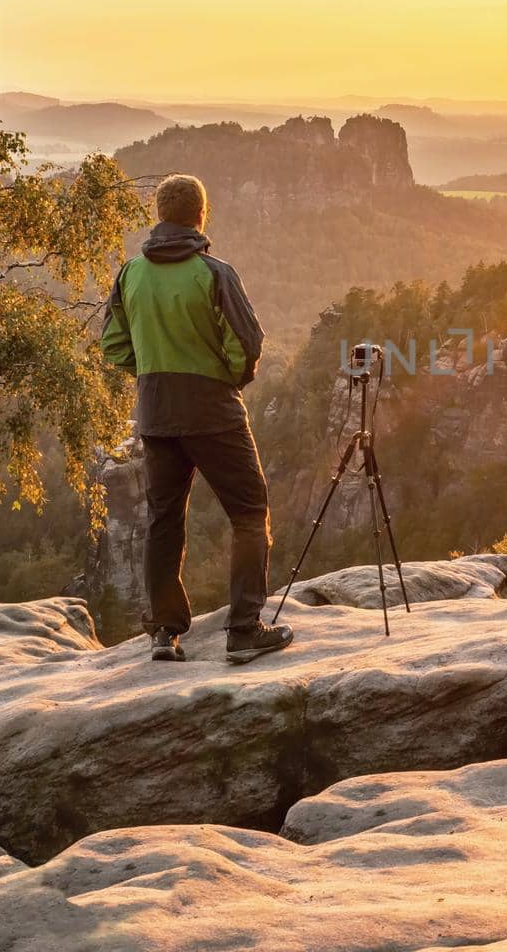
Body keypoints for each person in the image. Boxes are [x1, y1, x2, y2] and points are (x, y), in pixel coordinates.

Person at [101, 174, 294, 664]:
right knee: (250, 515)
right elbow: (247, 341)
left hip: (156, 412)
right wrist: (225, 378)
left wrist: (150, 375)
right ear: (200, 216)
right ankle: (244, 630)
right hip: (214, 411)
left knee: (164, 520)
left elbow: (114, 346)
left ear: (160, 215)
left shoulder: (129, 274)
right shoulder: (215, 272)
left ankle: (164, 633)